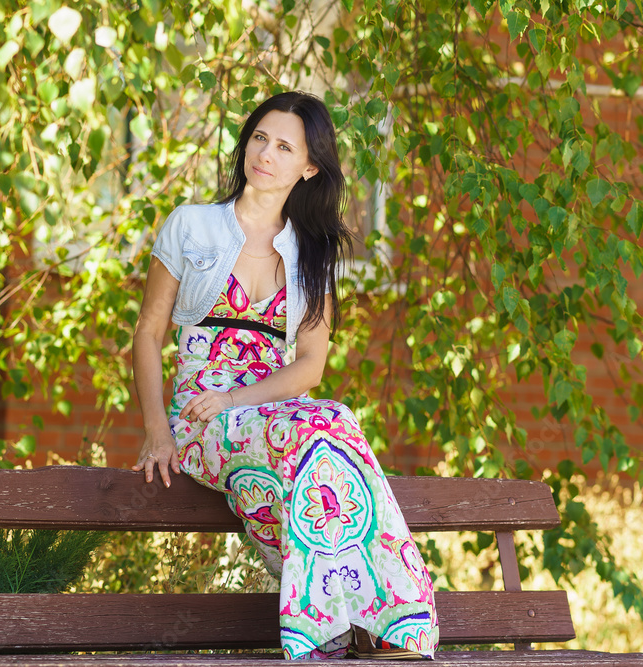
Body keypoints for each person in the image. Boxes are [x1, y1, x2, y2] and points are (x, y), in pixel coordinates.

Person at [131, 91, 439, 660]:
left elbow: (309, 368)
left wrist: (237, 398)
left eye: (284, 146)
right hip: (201, 418)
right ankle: (360, 629)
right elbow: (148, 332)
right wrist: (158, 432)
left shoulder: (313, 251)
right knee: (325, 428)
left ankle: (376, 628)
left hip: (266, 412)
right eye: (259, 138)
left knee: (332, 423)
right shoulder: (192, 226)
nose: (265, 154)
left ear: (310, 166)